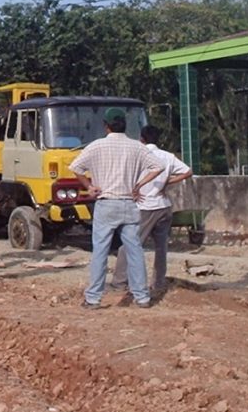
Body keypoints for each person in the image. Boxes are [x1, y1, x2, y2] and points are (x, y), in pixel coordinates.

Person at [68, 107, 164, 309]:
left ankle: (93, 297)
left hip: (105, 202)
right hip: (129, 203)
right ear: (125, 125)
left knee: (100, 251)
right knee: (135, 251)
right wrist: (138, 185)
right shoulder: (136, 147)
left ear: (106, 126)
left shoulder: (96, 146)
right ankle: (142, 297)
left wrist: (89, 187)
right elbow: (158, 167)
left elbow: (75, 167)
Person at [110, 125, 193, 296]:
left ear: (141, 138)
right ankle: (159, 283)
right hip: (164, 206)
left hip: (145, 207)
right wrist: (167, 183)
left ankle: (120, 281)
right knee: (161, 248)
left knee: (128, 245)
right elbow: (188, 171)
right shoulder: (167, 156)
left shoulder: (137, 155)